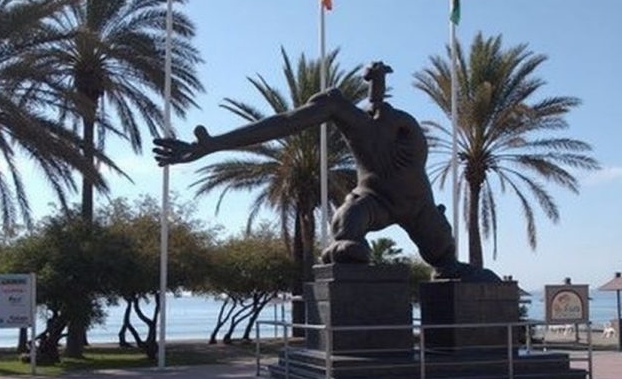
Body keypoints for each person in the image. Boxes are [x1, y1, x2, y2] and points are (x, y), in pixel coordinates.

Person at [153, 61, 496, 281]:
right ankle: (345, 244)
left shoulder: (399, 124)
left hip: (419, 206)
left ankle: (449, 268)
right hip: (375, 200)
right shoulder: (345, 114)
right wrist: (214, 144)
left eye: (378, 95)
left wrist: (376, 87)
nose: (376, 108)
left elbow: (376, 107)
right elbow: (284, 123)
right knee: (348, 230)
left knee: (445, 259)